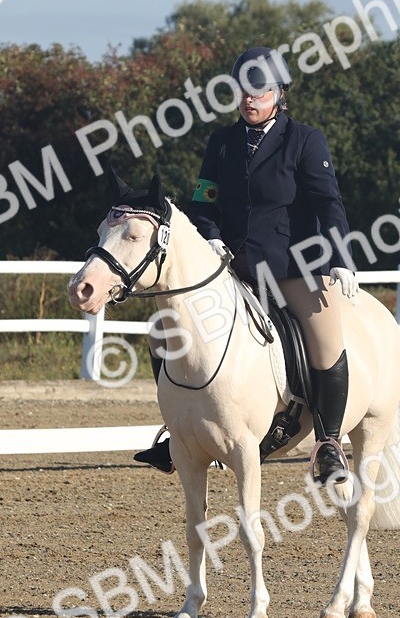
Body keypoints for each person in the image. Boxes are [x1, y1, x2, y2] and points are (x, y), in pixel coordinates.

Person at [135, 46, 358, 483]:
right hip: (232, 270)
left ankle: (328, 444)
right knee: (163, 333)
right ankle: (177, 432)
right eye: (243, 92)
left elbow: (328, 203)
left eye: (260, 92)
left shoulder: (305, 141)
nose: (249, 100)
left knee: (325, 341)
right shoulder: (221, 143)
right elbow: (204, 202)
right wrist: (211, 236)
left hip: (292, 268)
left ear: (280, 93)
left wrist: (341, 258)